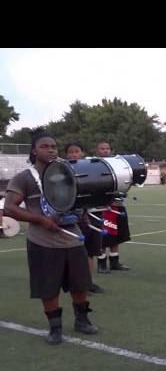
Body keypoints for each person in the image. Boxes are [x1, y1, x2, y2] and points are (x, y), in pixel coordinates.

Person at [3, 132, 98, 345]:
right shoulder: (25, 177)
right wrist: (40, 220)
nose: (51, 150)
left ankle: (82, 320)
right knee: (48, 287)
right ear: (34, 150)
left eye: (54, 146)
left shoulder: (67, 172)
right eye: (45, 146)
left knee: (80, 284)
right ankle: (55, 328)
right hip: (42, 241)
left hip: (72, 238)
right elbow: (9, 208)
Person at [64, 142, 105, 294]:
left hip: (90, 214)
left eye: (77, 151)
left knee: (91, 251)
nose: (74, 155)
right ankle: (78, 283)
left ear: (82, 153)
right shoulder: (63, 169)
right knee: (78, 253)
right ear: (66, 154)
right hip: (73, 217)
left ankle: (88, 282)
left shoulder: (90, 168)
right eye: (71, 152)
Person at [94, 140, 131, 273]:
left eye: (107, 148)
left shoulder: (117, 164)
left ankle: (115, 262)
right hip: (103, 207)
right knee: (104, 236)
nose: (105, 151)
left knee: (117, 235)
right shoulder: (94, 165)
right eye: (102, 148)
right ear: (97, 150)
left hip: (118, 204)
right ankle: (101, 263)